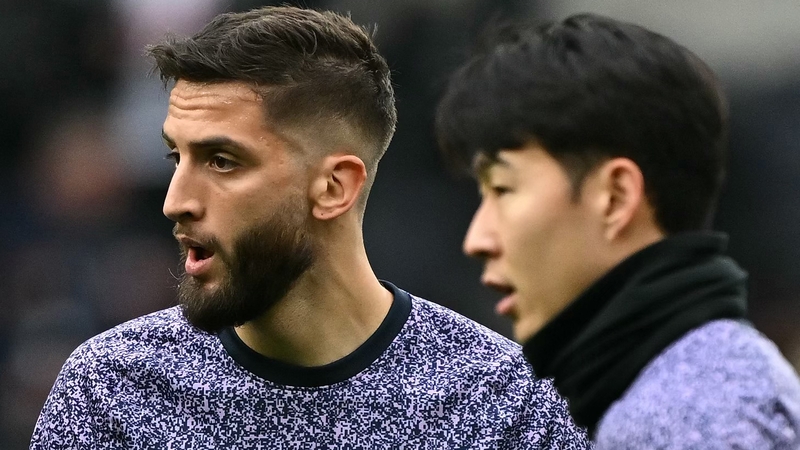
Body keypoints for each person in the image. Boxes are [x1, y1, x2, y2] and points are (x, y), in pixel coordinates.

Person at [30, 6, 590, 449]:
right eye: (177, 158)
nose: (176, 202)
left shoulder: (501, 403)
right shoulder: (112, 391)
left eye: (222, 161)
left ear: (334, 188)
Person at [435, 12, 800, 449]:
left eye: (503, 189)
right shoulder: (690, 389)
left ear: (615, 197)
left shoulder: (687, 422)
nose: (477, 239)